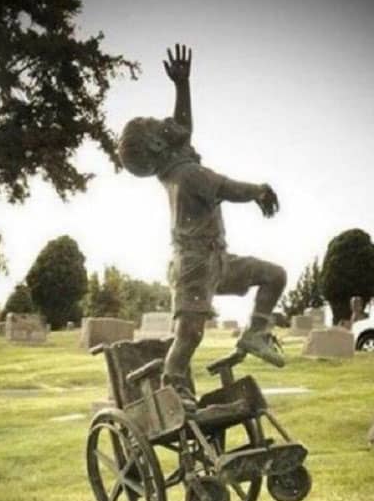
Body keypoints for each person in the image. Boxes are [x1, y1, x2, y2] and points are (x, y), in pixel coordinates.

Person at [118, 44, 287, 410]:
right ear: (158, 144)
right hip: (194, 266)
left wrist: (182, 85)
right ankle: (173, 384)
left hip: (216, 261)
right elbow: (227, 187)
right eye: (156, 124)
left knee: (274, 275)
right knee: (189, 334)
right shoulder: (188, 175)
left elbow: (182, 128)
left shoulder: (174, 167)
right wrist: (259, 191)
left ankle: (256, 333)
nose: (165, 122)